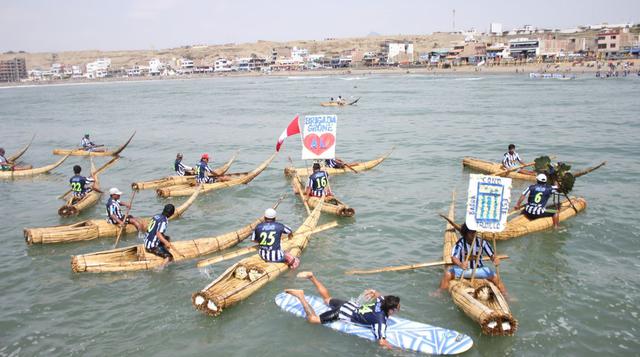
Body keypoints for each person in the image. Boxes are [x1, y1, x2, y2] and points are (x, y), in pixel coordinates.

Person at [285, 271, 400, 350]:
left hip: (351, 304)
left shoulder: (382, 301)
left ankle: (311, 277)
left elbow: (377, 294)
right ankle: (301, 296)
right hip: (343, 312)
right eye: (397, 307)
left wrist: (372, 292)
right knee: (313, 320)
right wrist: (395, 350)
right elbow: (381, 341)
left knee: (327, 299)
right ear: (391, 310)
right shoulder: (380, 321)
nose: (399, 308)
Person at [438, 223, 507, 296]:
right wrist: (460, 264)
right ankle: (440, 291)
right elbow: (454, 258)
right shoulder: (460, 243)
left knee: (495, 277)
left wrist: (495, 259)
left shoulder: (482, 242)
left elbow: (492, 255)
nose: (474, 234)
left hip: (479, 270)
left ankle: (506, 294)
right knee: (447, 274)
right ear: (465, 233)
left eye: (474, 232)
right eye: (471, 232)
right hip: (464, 270)